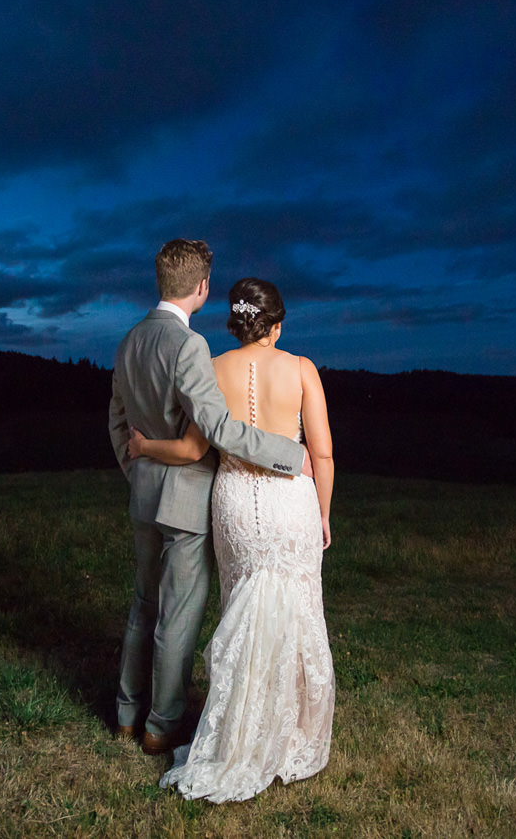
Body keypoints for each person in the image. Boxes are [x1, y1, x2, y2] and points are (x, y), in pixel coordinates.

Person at [130, 276, 335, 803]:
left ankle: (238, 729)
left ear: (237, 322)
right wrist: (324, 515)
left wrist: (145, 445)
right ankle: (287, 733)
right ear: (277, 324)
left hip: (235, 502)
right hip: (291, 501)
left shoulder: (213, 366)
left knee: (242, 605)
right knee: (293, 610)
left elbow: (195, 448)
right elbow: (322, 454)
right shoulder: (301, 368)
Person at [108, 240, 307, 757]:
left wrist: (137, 472)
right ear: (201, 288)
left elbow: (117, 422)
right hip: (186, 499)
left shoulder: (129, 340)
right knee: (177, 615)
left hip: (145, 496)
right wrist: (287, 453)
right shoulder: (187, 345)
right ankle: (161, 724)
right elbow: (217, 427)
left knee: (142, 606)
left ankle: (126, 713)